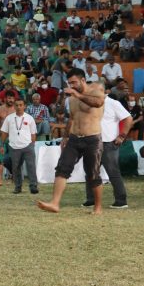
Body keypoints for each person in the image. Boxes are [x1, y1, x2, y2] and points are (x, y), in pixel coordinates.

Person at [37, 68, 106, 215]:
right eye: (69, 83)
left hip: (92, 138)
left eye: (74, 82)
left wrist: (77, 94)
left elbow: (98, 103)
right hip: (74, 138)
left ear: (82, 80)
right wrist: (66, 136)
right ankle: (55, 203)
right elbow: (72, 118)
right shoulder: (72, 97)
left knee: (93, 174)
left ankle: (98, 207)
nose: (72, 85)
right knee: (62, 169)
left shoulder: (95, 90)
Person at [82, 96, 132, 209]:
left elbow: (128, 118)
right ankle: (91, 199)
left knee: (113, 172)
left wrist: (122, 136)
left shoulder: (113, 103)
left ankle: (121, 200)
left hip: (108, 143)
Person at [0, 99, 38, 194]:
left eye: (21, 105)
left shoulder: (29, 118)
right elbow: (4, 132)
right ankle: (18, 187)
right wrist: (2, 144)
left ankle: (33, 186)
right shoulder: (9, 118)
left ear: (24, 106)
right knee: (15, 167)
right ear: (14, 106)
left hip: (27, 145)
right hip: (14, 146)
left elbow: (33, 134)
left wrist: (32, 145)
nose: (19, 107)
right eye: (17, 105)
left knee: (31, 166)